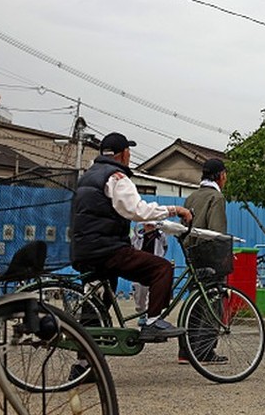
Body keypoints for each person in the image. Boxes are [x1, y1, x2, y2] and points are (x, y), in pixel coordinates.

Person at [70, 132, 193, 343]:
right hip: (108, 249)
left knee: (97, 305)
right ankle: (152, 322)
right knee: (161, 268)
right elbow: (138, 211)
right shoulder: (116, 177)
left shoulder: (86, 177)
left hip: (83, 250)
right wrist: (175, 209)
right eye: (129, 151)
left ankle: (83, 365)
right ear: (124, 154)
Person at [178, 157, 229, 365]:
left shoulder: (191, 198)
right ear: (221, 176)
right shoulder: (216, 198)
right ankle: (205, 350)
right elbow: (216, 232)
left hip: (192, 253)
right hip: (210, 255)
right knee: (212, 301)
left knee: (193, 301)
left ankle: (185, 350)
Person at [130, 222, 169, 326]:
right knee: (139, 292)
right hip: (140, 266)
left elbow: (164, 248)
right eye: (147, 225)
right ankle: (141, 313)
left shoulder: (161, 236)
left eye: (152, 225)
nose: (150, 227)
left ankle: (151, 315)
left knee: (154, 291)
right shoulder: (136, 236)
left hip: (154, 266)